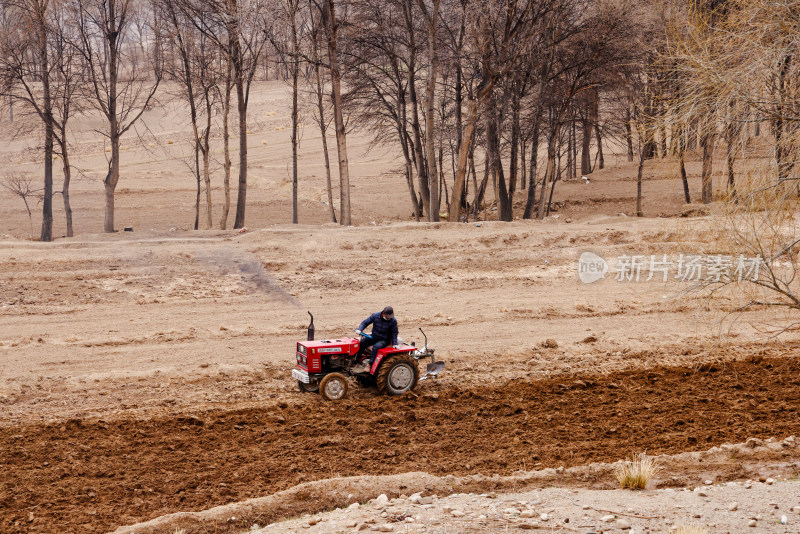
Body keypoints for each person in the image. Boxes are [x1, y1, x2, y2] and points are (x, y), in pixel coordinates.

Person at [353, 306, 398, 373]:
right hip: (374, 336)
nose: (389, 318)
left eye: (390, 316)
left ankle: (369, 364)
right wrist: (360, 329)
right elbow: (365, 322)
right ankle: (356, 360)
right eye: (388, 316)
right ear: (383, 313)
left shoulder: (393, 321)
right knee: (362, 342)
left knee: (376, 347)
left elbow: (394, 332)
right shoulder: (375, 316)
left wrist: (394, 343)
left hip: (384, 339)